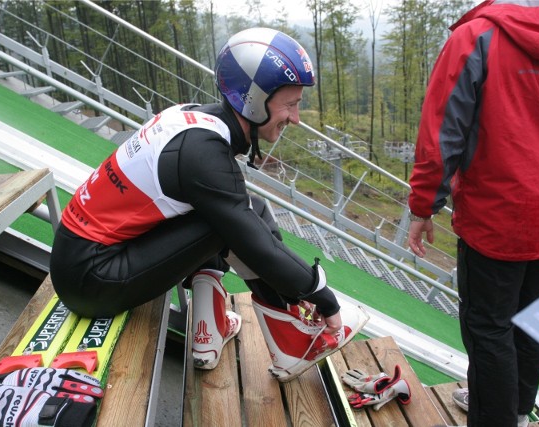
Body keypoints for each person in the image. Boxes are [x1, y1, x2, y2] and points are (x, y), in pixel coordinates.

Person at [49, 28, 368, 382]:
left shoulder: (195, 119)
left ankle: (209, 329)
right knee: (231, 223)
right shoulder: (202, 154)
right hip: (91, 281)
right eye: (290, 105)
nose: (295, 117)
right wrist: (323, 297)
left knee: (243, 210)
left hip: (84, 258)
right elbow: (255, 243)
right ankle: (291, 341)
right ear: (253, 99)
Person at [407, 1, 539, 426]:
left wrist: (425, 204)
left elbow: (443, 130)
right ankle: (516, 410)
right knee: (537, 320)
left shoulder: (477, 36)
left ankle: (495, 417)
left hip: (498, 214)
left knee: (489, 327)